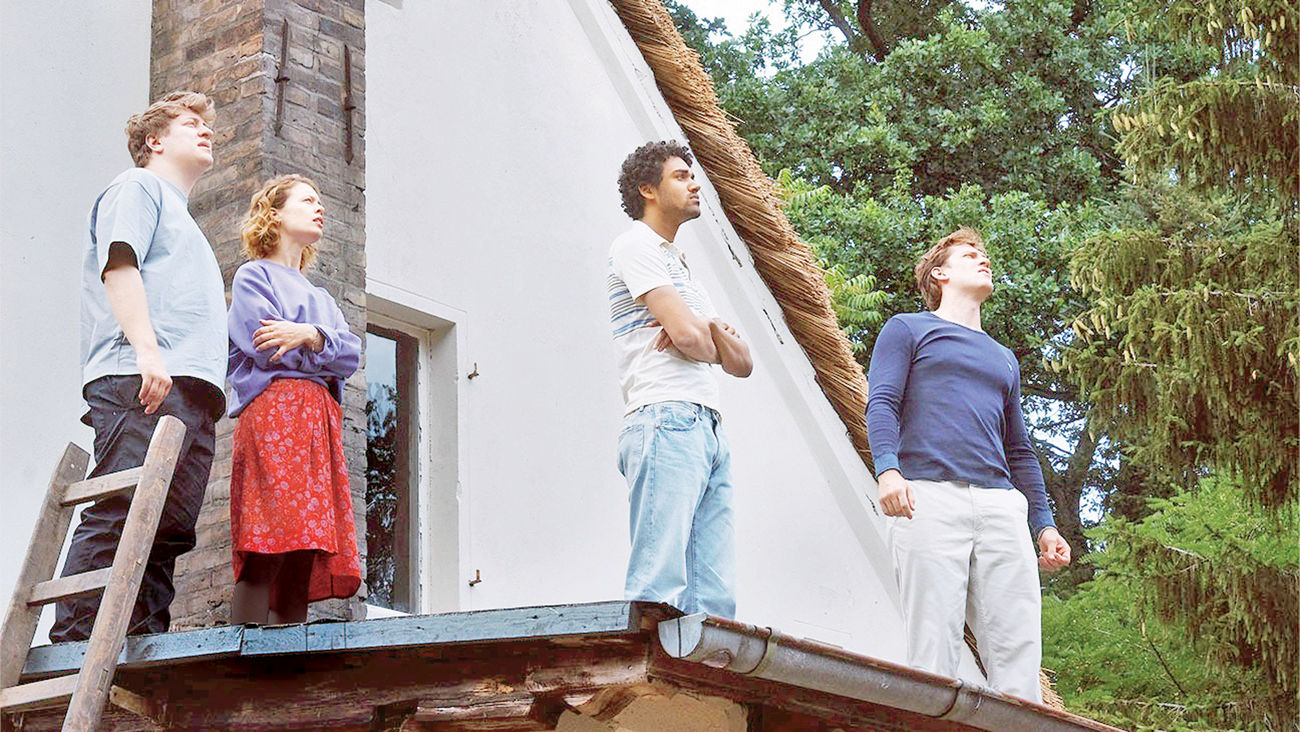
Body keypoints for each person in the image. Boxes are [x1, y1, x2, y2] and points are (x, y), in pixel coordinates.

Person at [864, 227, 1072, 702]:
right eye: (969, 255)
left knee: (1018, 652)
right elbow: (882, 402)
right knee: (933, 649)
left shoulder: (1003, 358)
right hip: (927, 498)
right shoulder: (907, 329)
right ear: (939, 274)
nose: (984, 260)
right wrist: (888, 470)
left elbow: (1019, 449)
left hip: (1000, 506)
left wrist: (1044, 525)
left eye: (985, 255)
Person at [53, 91, 227, 643]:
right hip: (144, 376)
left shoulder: (185, 220)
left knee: (168, 527)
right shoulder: (137, 187)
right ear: (154, 140)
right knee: (125, 508)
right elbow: (120, 266)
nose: (206, 131)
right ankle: (76, 643)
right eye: (190, 123)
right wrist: (147, 353)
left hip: (191, 391)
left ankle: (140, 647)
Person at [607, 141, 753, 619]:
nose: (695, 185)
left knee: (714, 600)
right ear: (648, 190)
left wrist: (698, 327)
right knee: (659, 586)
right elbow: (692, 338)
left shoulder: (684, 270)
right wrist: (702, 332)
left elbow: (743, 363)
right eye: (681, 177)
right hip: (664, 415)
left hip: (707, 425)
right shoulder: (635, 245)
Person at [226, 174, 362, 625]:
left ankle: (288, 649)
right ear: (275, 214)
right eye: (307, 200)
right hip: (275, 414)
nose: (319, 208)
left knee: (306, 543)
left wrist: (308, 335)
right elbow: (266, 344)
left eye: (320, 201)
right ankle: (242, 647)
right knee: (269, 536)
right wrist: (323, 351)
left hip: (319, 420)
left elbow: (352, 355)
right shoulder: (254, 276)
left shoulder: (321, 298)